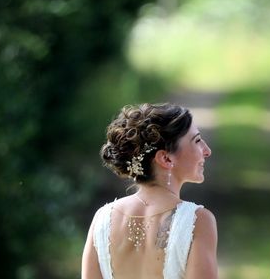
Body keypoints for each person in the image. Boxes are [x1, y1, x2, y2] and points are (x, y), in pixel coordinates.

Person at [82, 103, 218, 279]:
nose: (207, 151)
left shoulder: (102, 219)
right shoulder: (197, 221)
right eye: (197, 141)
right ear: (166, 158)